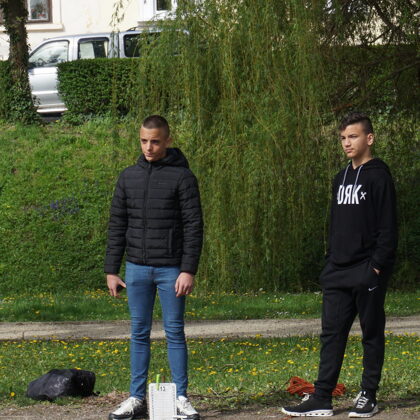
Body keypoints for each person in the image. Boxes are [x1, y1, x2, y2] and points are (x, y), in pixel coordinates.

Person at [282, 112, 398, 418]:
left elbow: (388, 227)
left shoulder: (379, 177)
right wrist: (330, 261)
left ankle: (368, 395)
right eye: (343, 138)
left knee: (371, 333)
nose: (347, 143)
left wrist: (375, 267)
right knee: (331, 335)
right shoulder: (340, 178)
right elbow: (336, 225)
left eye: (353, 136)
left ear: (369, 138)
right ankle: (322, 397)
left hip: (367, 270)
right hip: (337, 270)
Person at [105, 115, 203, 420]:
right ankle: (136, 398)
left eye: (155, 141)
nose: (149, 147)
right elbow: (117, 224)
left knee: (174, 332)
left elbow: (194, 226)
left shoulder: (183, 178)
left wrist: (188, 270)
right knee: (138, 332)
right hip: (136, 269)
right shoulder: (128, 177)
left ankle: (181, 398)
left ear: (168, 141)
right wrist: (111, 269)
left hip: (171, 270)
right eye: (144, 141)